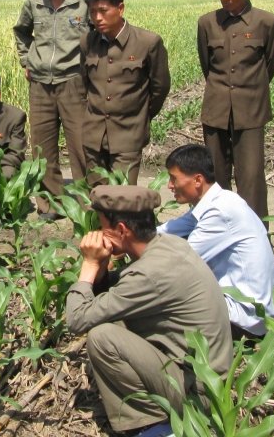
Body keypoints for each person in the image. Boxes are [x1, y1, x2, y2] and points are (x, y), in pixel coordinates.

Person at [66, 186, 232, 436]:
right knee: (116, 320)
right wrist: (102, 266)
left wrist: (89, 265)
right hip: (210, 378)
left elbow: (76, 320)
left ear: (121, 230)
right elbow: (117, 290)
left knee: (102, 337)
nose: (100, 234)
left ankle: (155, 427)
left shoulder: (149, 273)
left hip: (200, 394)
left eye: (103, 227)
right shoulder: (170, 246)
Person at [158, 144, 274, 339]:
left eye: (174, 178)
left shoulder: (220, 212)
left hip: (244, 318)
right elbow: (168, 230)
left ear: (198, 180)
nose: (170, 186)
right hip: (242, 308)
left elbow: (178, 262)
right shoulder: (218, 200)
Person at [197, 0, 274, 221]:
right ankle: (217, 231)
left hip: (250, 112)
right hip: (216, 110)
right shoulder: (207, 23)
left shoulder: (266, 23)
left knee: (251, 178)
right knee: (215, 178)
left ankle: (255, 236)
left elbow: (270, 64)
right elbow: (207, 65)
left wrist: (248, 90)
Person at [12, 0, 89, 218]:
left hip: (73, 81)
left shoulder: (83, 2)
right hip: (40, 83)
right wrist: (27, 60)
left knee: (80, 144)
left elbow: (97, 37)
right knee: (42, 146)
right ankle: (50, 203)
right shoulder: (34, 2)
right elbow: (21, 32)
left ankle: (83, 204)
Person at [80, 0, 170, 185]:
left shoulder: (147, 42)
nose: (97, 18)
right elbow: (83, 84)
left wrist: (140, 115)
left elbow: (160, 87)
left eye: (103, 11)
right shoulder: (88, 42)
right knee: (96, 198)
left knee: (123, 198)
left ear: (120, 8)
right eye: (92, 12)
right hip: (93, 134)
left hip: (128, 134)